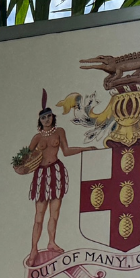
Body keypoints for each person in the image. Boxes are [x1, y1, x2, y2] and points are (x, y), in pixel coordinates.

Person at [14, 90, 92, 258]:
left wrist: (85, 149)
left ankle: (51, 242)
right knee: (39, 215)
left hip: (56, 172)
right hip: (41, 175)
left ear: (52, 117)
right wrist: (20, 165)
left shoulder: (59, 132)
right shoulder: (37, 137)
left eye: (49, 116)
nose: (47, 119)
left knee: (54, 213)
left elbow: (66, 151)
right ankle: (34, 248)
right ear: (40, 120)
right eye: (43, 117)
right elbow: (26, 157)